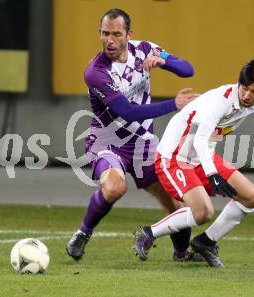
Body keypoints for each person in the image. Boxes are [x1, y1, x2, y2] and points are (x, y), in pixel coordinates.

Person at [66, 8, 200, 262]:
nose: (110, 40)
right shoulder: (96, 72)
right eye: (105, 34)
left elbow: (187, 70)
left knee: (175, 201)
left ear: (129, 34)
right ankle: (83, 233)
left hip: (143, 143)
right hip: (108, 141)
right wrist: (174, 104)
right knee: (116, 187)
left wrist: (164, 61)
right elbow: (127, 112)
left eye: (117, 34)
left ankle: (182, 254)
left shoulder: (145, 49)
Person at [133, 56, 254, 268]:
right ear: (239, 83)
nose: (247, 95)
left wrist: (210, 166)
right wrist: (213, 174)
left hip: (201, 157)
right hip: (173, 157)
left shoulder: (247, 106)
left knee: (251, 196)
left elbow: (208, 139)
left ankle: (206, 242)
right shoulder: (221, 100)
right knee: (203, 213)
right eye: (245, 88)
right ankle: (147, 234)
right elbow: (201, 138)